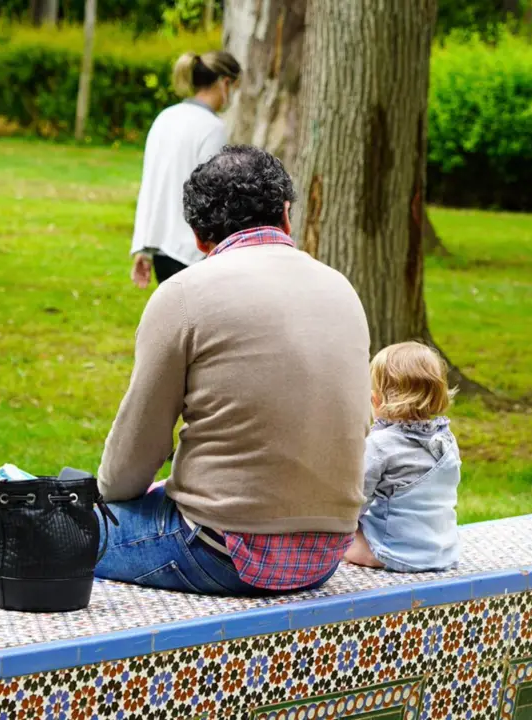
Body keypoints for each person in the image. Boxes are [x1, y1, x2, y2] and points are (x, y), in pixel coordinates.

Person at [95, 145, 372, 596]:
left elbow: (133, 457)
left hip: (222, 552)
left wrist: (105, 501)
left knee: (56, 524)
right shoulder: (341, 288)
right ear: (285, 216)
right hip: (326, 555)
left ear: (198, 237)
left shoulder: (184, 294)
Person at [345, 342, 461, 573]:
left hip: (396, 552)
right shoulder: (446, 440)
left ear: (376, 400)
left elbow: (354, 502)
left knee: (337, 540)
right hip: (442, 551)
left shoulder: (380, 445)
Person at [129, 51, 240, 289]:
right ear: (225, 83)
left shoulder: (165, 118)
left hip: (161, 249)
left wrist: (143, 247)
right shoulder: (212, 128)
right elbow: (213, 193)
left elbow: (151, 185)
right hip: (193, 253)